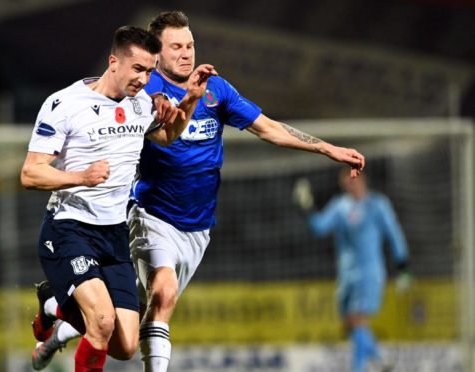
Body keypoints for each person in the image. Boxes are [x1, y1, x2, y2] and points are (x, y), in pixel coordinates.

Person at [33, 11, 365, 372]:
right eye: (176, 46)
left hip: (197, 228)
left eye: (190, 45)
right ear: (156, 53)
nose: (187, 53)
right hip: (150, 216)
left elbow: (268, 128)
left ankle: (59, 315)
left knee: (125, 330)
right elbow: (109, 110)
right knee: (164, 293)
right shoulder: (143, 92)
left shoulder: (215, 91)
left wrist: (328, 149)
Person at [21, 24, 216, 371]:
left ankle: (53, 303)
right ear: (114, 62)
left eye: (150, 71)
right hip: (69, 229)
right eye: (137, 69)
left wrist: (191, 99)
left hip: (114, 235)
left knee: (125, 345)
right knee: (101, 320)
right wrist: (80, 176)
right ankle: (62, 306)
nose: (144, 79)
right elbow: (30, 173)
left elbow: (168, 136)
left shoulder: (143, 105)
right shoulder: (65, 104)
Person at [292, 169, 410, 372]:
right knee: (350, 325)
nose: (350, 184)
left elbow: (394, 233)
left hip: (369, 273)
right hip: (347, 275)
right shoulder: (340, 206)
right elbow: (319, 228)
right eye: (346, 181)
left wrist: (403, 267)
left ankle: (369, 364)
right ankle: (377, 361)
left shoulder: (377, 205)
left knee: (357, 319)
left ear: (362, 179)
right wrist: (307, 207)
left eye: (353, 179)